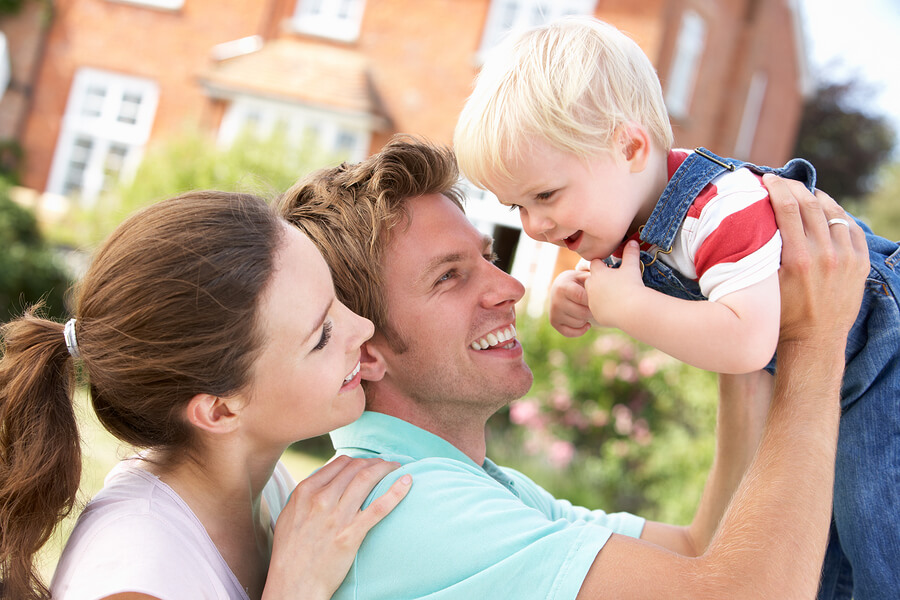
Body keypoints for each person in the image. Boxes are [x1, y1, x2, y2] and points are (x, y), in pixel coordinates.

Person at [277, 135, 869, 599]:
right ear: (365, 346)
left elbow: (697, 547)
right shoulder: (408, 505)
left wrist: (734, 293)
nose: (508, 287)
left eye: (488, 258)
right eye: (449, 276)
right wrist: (815, 342)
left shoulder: (467, 482)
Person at [452, 17, 900, 599]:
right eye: (518, 207)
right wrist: (583, 296)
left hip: (883, 363)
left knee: (878, 537)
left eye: (546, 196)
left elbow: (748, 342)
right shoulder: (624, 223)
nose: (534, 226)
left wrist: (630, 308)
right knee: (819, 558)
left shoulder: (720, 206)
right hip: (834, 380)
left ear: (631, 147)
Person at [0, 191, 412, 600]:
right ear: (218, 411)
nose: (363, 328)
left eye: (337, 299)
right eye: (322, 336)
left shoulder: (262, 489)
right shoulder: (136, 575)